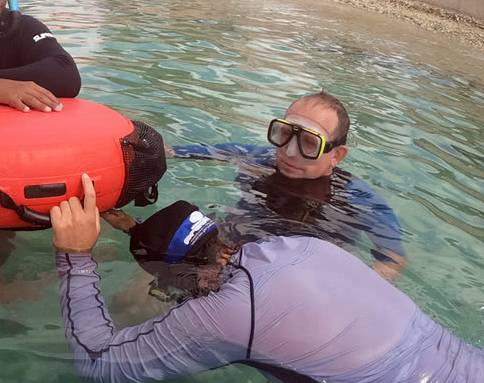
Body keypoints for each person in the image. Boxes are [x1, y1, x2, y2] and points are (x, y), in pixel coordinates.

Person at [48, 176, 484, 383]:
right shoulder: (297, 246)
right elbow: (195, 257)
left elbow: (99, 364)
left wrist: (75, 258)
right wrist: (133, 228)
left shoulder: (226, 315)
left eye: (164, 286)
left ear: (179, 282)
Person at [166, 92, 406, 280]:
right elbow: (206, 151)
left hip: (297, 276)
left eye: (309, 143)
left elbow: (392, 259)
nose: (289, 152)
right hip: (226, 248)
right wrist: (159, 152)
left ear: (337, 155)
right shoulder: (261, 158)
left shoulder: (359, 198)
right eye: (285, 134)